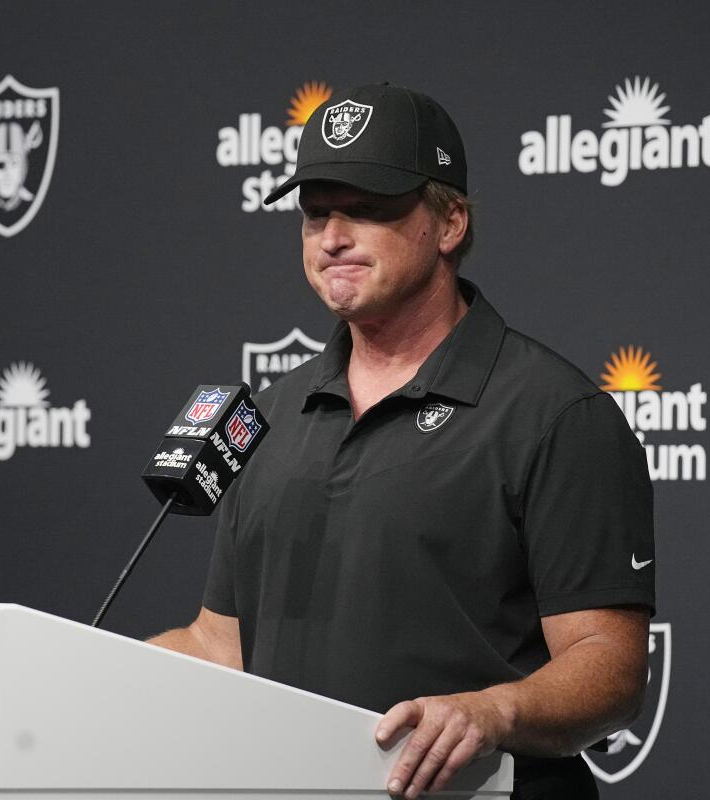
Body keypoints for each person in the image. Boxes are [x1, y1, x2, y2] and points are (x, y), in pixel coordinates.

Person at [149, 83, 655, 800]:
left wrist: (493, 710)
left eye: (368, 209)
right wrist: (77, 670)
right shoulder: (267, 414)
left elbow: (610, 663)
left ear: (449, 222)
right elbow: (221, 647)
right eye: (316, 213)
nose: (333, 237)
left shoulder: (555, 413)